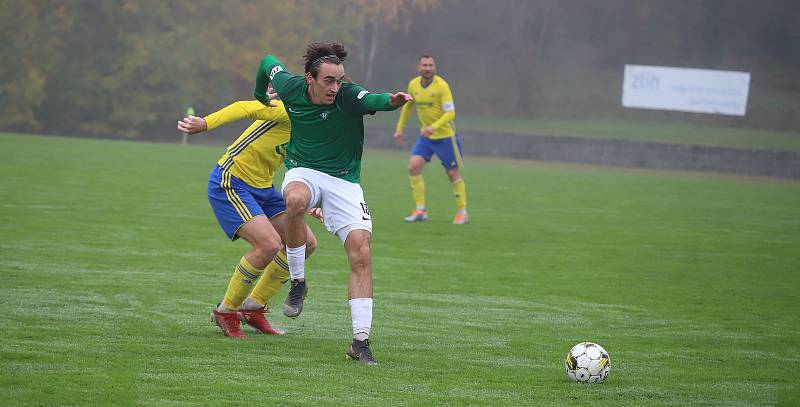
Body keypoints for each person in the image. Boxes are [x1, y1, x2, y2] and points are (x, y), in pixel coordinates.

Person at [253, 42, 412, 364]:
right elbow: (268, 60)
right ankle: (298, 281)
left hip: (344, 181)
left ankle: (361, 342)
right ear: (310, 78)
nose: (335, 87)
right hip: (304, 170)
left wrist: (392, 102)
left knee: (361, 251)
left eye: (340, 80)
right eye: (329, 80)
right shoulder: (290, 87)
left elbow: (373, 99)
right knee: (294, 199)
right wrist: (259, 94)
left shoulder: (349, 96)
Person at [177, 95, 319, 339]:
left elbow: (308, 166)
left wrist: (314, 201)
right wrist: (205, 124)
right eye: (330, 84)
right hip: (231, 181)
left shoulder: (319, 125)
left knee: (304, 243)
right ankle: (225, 311)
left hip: (264, 188)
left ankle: (252, 308)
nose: (335, 92)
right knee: (269, 244)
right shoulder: (288, 109)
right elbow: (243, 107)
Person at [394, 55, 468, 224]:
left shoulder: (442, 86)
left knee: (452, 174)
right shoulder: (413, 85)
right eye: (424, 65)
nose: (427, 68)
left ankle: (462, 212)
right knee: (413, 167)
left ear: (435, 68)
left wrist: (433, 127)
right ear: (419, 68)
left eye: (430, 65)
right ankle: (420, 210)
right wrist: (399, 128)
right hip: (426, 138)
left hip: (445, 137)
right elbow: (408, 107)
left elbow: (451, 113)